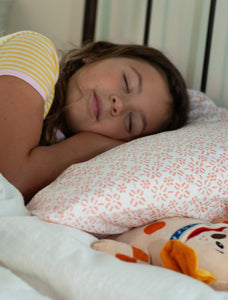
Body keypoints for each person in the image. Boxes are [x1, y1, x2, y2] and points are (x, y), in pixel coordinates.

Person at [0, 31, 189, 204]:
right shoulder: (35, 52)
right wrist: (90, 145)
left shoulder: (59, 160)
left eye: (131, 122)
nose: (119, 105)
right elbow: (12, 180)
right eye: (126, 82)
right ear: (97, 54)